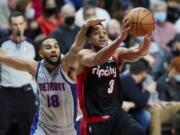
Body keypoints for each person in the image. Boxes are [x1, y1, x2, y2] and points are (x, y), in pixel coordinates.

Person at [0, 18, 105, 135]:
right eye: (48, 48)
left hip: (68, 128)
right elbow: (5, 58)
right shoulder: (35, 67)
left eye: (56, 47)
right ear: (41, 54)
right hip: (43, 127)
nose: (54, 50)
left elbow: (76, 48)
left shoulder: (66, 65)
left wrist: (84, 28)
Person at [76, 16, 154, 135]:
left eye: (104, 33)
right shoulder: (83, 55)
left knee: (138, 131)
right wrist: (120, 39)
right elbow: (98, 59)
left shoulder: (117, 53)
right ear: (89, 40)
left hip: (117, 115)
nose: (102, 36)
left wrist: (147, 39)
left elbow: (139, 52)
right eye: (97, 33)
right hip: (95, 119)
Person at [0, 11, 36, 135]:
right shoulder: (2, 44)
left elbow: (38, 71)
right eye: (15, 24)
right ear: (10, 26)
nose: (18, 27)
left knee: (29, 130)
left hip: (26, 92)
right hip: (6, 92)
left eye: (21, 24)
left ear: (25, 25)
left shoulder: (32, 45)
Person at [120, 58, 152, 132]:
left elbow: (139, 101)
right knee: (145, 115)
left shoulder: (137, 83)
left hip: (132, 111)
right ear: (143, 72)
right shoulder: (127, 80)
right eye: (147, 73)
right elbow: (141, 101)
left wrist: (132, 104)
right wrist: (148, 91)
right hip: (122, 112)